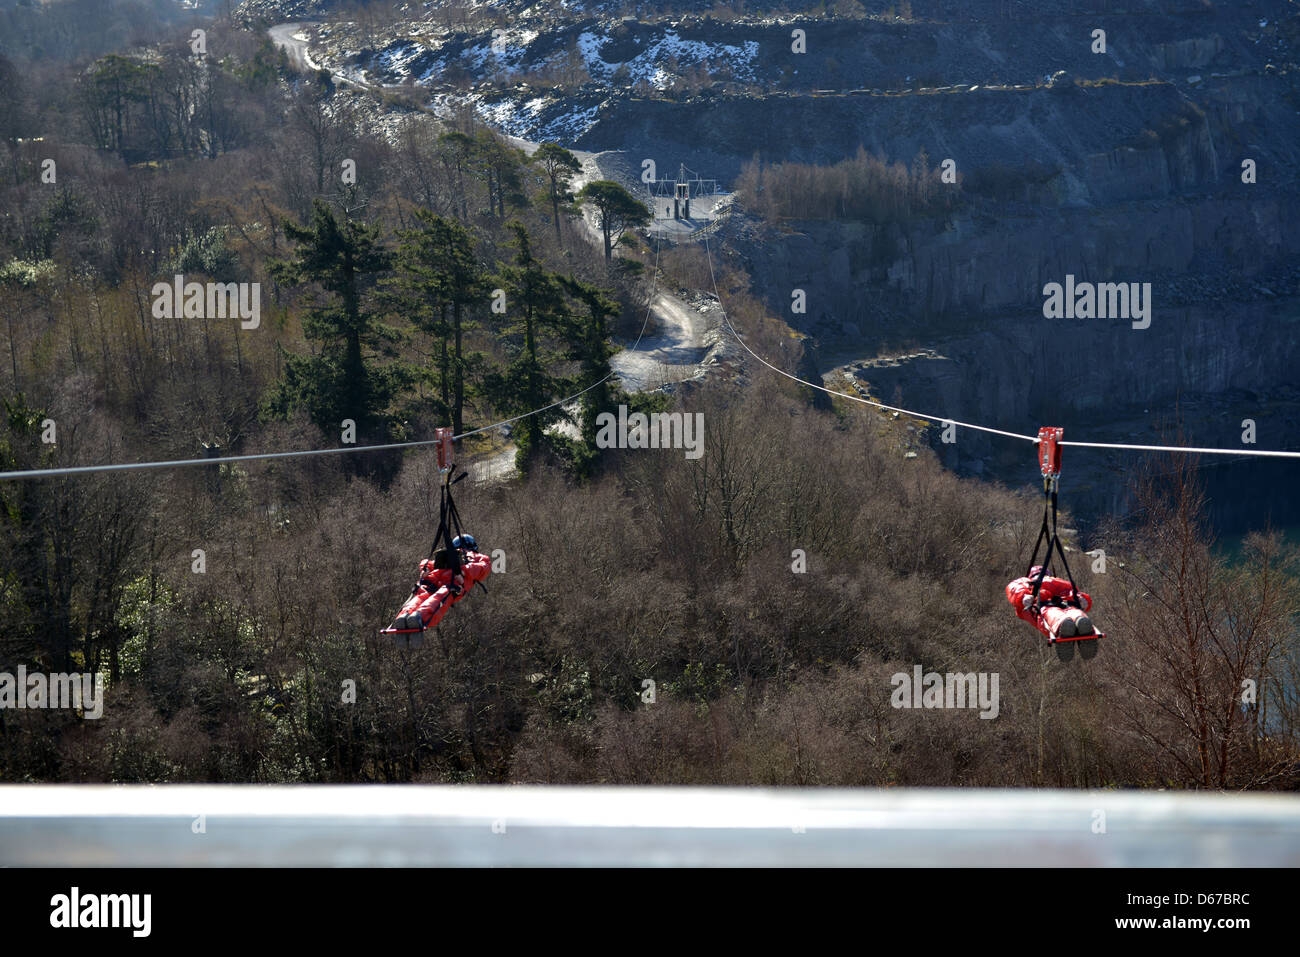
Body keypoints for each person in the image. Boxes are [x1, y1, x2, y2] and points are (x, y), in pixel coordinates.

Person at [390, 534, 491, 633]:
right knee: (432, 598)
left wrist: (463, 570)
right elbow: (483, 568)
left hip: (447, 583)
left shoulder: (469, 556)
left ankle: (411, 615)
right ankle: (413, 616)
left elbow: (483, 568)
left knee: (428, 596)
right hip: (445, 583)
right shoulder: (465, 556)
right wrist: (426, 568)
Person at [1005, 565, 1095, 640]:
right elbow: (1014, 588)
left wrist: (1080, 598)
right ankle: (1064, 625)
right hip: (1043, 608)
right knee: (1052, 613)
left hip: (1065, 605)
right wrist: (1023, 596)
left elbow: (1071, 591)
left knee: (1074, 611)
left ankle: (1080, 622)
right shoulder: (1026, 583)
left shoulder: (1057, 581)